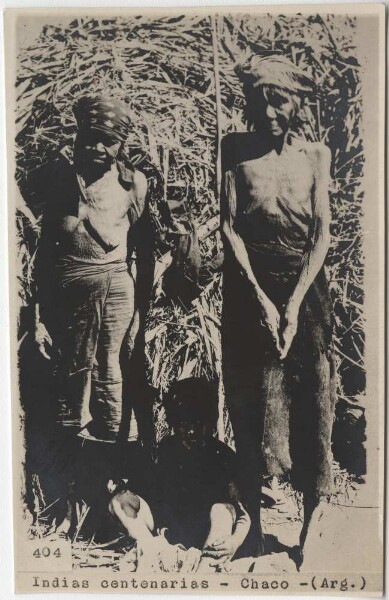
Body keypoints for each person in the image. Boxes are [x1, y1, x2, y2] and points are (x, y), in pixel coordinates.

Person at [221, 55, 336, 563]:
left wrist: (292, 305)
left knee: (314, 397)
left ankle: (312, 519)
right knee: (249, 401)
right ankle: (256, 526)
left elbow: (322, 232)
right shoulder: (234, 151)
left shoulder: (316, 155)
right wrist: (265, 302)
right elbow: (229, 228)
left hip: (305, 285)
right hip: (249, 287)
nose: (270, 112)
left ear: (296, 104)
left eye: (280, 100)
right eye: (261, 100)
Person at [27, 95, 156, 532]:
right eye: (91, 139)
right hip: (67, 298)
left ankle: (111, 497)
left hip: (116, 290)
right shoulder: (61, 180)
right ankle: (67, 502)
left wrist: (141, 309)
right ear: (78, 136)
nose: (99, 149)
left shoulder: (133, 184)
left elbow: (143, 250)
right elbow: (44, 254)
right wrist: (39, 316)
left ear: (121, 145)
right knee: (69, 387)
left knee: (110, 382)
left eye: (109, 142)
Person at [109, 378, 250, 571]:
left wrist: (234, 542)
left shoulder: (223, 456)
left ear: (209, 422)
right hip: (168, 530)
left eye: (198, 423)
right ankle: (151, 549)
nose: (191, 431)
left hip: (206, 531)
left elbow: (242, 514)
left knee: (223, 510)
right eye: (184, 424)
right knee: (120, 501)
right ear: (173, 423)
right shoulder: (163, 451)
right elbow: (138, 494)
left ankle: (207, 564)